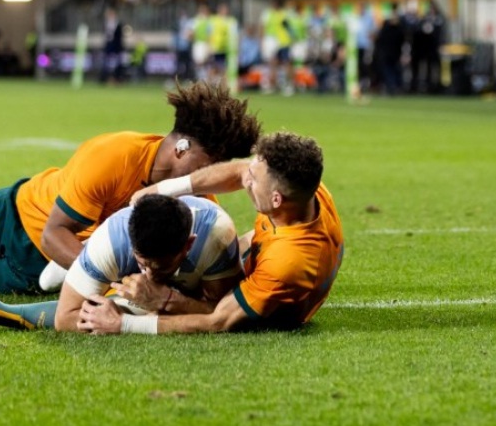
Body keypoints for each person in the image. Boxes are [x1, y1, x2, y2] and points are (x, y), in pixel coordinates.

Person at [0, 81, 261, 297]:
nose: (210, 177)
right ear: (182, 147)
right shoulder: (114, 155)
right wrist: (106, 279)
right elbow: (54, 232)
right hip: (22, 212)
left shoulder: (193, 204)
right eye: (211, 164)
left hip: (44, 263)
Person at [77, 131, 344, 334]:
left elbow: (218, 320)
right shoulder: (302, 189)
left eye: (253, 180)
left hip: (268, 312)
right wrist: (163, 189)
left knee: (185, 297)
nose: (246, 179)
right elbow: (239, 172)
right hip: (264, 255)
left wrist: (126, 323)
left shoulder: (286, 262)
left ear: (276, 199)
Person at [0, 194, 243, 331]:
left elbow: (222, 314)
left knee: (127, 307)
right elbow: (65, 319)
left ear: (188, 245)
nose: (150, 273)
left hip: (189, 283)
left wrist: (165, 300)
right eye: (143, 263)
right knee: (53, 286)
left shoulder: (215, 236)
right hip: (110, 258)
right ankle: (85, 266)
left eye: (161, 266)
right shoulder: (113, 239)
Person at [99, 7, 124, 84]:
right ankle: (105, 78)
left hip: (116, 47)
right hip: (108, 46)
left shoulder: (118, 24)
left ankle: (117, 78)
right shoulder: (106, 24)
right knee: (106, 63)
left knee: (117, 63)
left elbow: (119, 37)